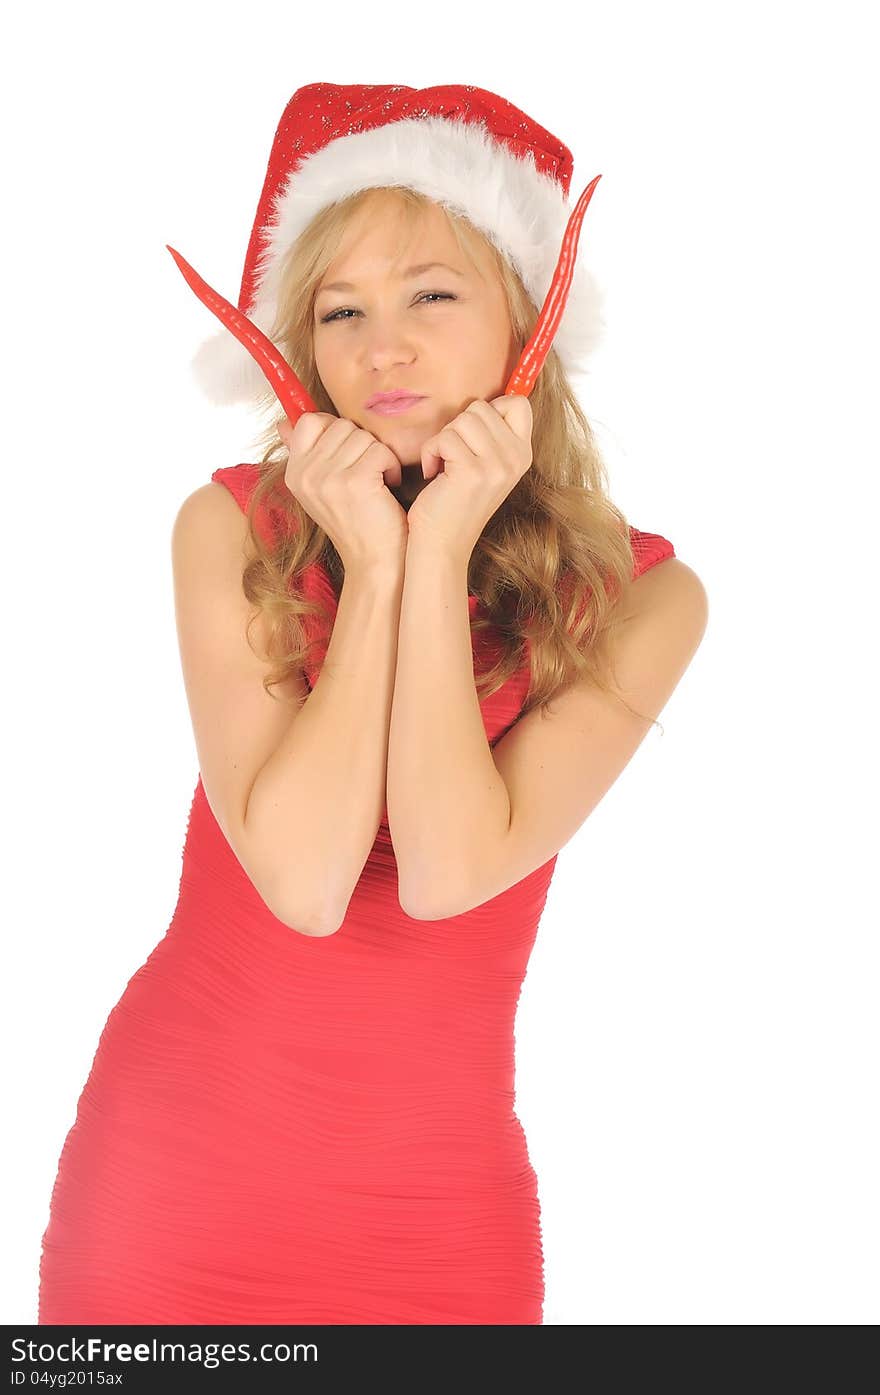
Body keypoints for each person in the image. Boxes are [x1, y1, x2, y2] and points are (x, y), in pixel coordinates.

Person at [37, 82, 708, 1325]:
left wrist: (441, 545)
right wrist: (384, 566)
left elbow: (452, 869)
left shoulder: (642, 599)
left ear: (528, 316)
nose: (379, 348)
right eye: (338, 311)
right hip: (175, 1187)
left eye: (430, 295)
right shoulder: (232, 527)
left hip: (437, 1213)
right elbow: (302, 880)